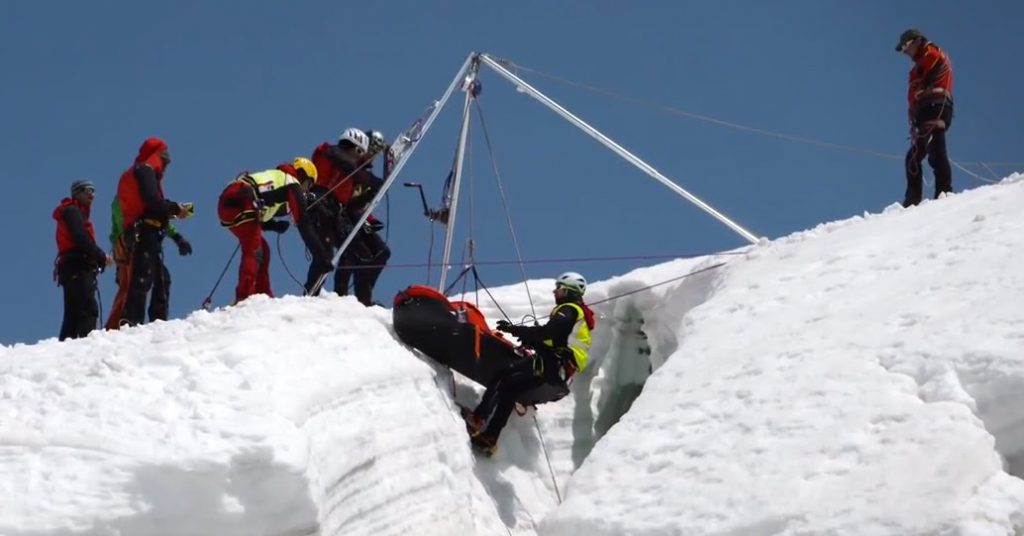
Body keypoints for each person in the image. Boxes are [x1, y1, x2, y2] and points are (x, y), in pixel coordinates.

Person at [465, 272, 597, 455]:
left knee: (502, 374)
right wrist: (530, 339)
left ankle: (478, 418)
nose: (555, 291)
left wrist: (517, 330)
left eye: (559, 288)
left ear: (569, 291)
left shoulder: (569, 309)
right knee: (509, 389)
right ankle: (490, 437)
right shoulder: (576, 314)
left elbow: (548, 332)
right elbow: (555, 338)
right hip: (559, 370)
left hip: (553, 363)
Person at [218, 157, 331, 303]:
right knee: (255, 250)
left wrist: (274, 225)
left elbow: (263, 207)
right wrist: (320, 254)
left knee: (263, 250)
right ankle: (243, 297)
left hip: (229, 203)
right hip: (241, 199)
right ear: (303, 175)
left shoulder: (277, 180)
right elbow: (303, 221)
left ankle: (262, 295)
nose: (306, 189)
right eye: (308, 184)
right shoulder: (291, 182)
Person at [305, 127, 390, 305]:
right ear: (357, 148)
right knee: (328, 257)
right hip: (321, 208)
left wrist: (371, 193)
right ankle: (313, 297)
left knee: (358, 255)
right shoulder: (331, 151)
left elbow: (351, 202)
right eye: (360, 153)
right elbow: (349, 165)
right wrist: (372, 181)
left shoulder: (348, 169)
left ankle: (359, 301)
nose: (359, 158)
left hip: (334, 212)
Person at [116, 137, 194, 327]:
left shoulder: (140, 172)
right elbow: (152, 203)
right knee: (143, 276)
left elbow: (150, 207)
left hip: (145, 230)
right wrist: (175, 208)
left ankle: (154, 321)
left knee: (160, 278)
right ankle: (131, 321)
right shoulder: (146, 171)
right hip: (145, 231)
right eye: (165, 160)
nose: (166, 167)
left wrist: (175, 231)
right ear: (159, 156)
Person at [104, 196, 192, 329]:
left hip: (143, 243)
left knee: (160, 278)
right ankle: (122, 324)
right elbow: (125, 220)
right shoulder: (124, 197)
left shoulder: (144, 196)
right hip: (131, 246)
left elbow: (157, 217)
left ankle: (155, 320)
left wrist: (177, 237)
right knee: (133, 284)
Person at [896, 28, 954, 207]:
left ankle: (944, 191)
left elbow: (930, 68)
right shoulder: (918, 67)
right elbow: (914, 91)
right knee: (913, 158)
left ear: (917, 41)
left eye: (906, 47)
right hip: (924, 111)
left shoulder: (932, 53)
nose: (906, 52)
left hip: (935, 105)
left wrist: (919, 86)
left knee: (935, 149)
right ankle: (913, 199)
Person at [53, 179, 112, 340]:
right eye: (87, 190)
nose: (92, 194)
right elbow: (81, 237)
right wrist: (100, 256)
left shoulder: (73, 212)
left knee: (73, 313)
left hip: (70, 267)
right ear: (77, 193)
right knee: (87, 308)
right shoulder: (72, 211)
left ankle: (66, 348)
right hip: (77, 265)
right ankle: (86, 346)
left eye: (93, 190)